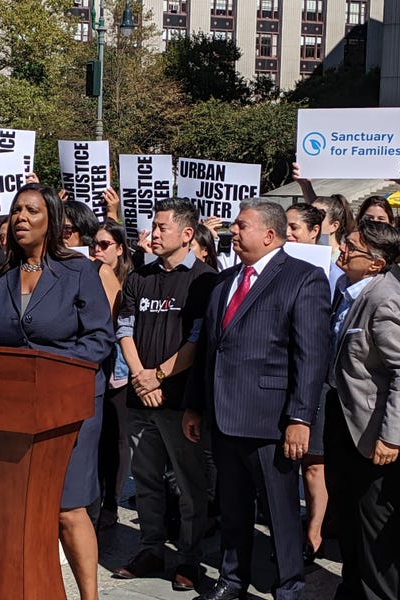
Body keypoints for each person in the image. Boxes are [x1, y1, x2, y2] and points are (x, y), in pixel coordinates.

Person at [0, 183, 113, 600]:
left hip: (70, 404)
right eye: (16, 211)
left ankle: (89, 597)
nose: (21, 218)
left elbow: (100, 339)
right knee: (19, 507)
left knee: (68, 507)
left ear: (52, 221)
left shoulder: (80, 271)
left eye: (31, 211)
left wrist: (47, 366)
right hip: (12, 406)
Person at [183, 199, 331, 600]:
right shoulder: (224, 281)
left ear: (269, 234)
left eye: (241, 225)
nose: (233, 231)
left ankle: (288, 586)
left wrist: (300, 418)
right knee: (232, 509)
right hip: (224, 416)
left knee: (280, 514)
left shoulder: (304, 278)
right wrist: (196, 404)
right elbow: (210, 349)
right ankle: (232, 580)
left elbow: (311, 356)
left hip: (271, 421)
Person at [113, 198, 216, 593]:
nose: (153, 234)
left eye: (161, 228)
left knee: (189, 485)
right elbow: (124, 327)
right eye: (153, 227)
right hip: (140, 398)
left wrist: (158, 377)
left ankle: (189, 558)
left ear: (187, 234)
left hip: (178, 401)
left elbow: (197, 338)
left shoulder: (204, 279)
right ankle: (150, 549)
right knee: (147, 480)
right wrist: (139, 375)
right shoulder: (140, 276)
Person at [327, 220, 400, 600]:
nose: (343, 250)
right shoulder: (349, 291)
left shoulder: (387, 300)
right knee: (351, 521)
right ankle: (353, 589)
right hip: (347, 423)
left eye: (351, 247)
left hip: (378, 435)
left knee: (376, 530)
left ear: (375, 263)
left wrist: (391, 436)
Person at [283, 202, 333, 564]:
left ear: (314, 232)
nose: (288, 233)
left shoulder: (330, 269)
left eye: (295, 227)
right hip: (280, 375)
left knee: (314, 463)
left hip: (317, 376)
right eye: (284, 226)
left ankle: (314, 532)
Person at [93, 219, 134, 530]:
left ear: (120, 250)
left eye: (105, 244)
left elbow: (111, 320)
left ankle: (111, 502)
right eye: (94, 243)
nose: (97, 249)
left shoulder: (123, 279)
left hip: (116, 367)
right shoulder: (87, 270)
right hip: (94, 366)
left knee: (116, 435)